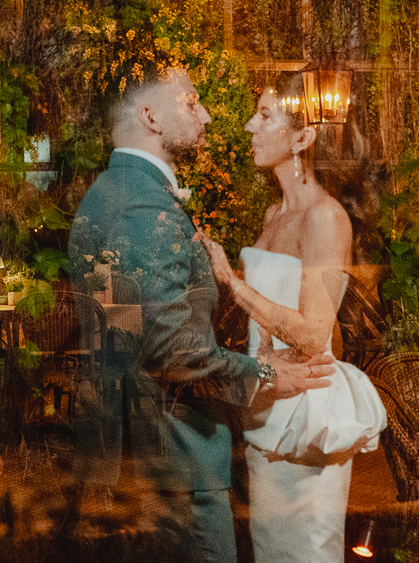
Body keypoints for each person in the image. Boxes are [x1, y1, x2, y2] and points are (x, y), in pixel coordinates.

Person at [67, 68, 335, 563]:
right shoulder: (145, 207)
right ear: (151, 117)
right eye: (191, 103)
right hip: (178, 459)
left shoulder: (110, 193)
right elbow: (172, 352)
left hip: (151, 452)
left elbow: (130, 334)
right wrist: (264, 374)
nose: (208, 115)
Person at [201, 74, 387, 563]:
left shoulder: (325, 217)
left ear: (303, 138)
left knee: (305, 553)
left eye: (264, 116)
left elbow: (313, 333)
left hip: (306, 415)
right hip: (268, 399)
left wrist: (232, 281)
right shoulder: (273, 214)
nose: (249, 126)